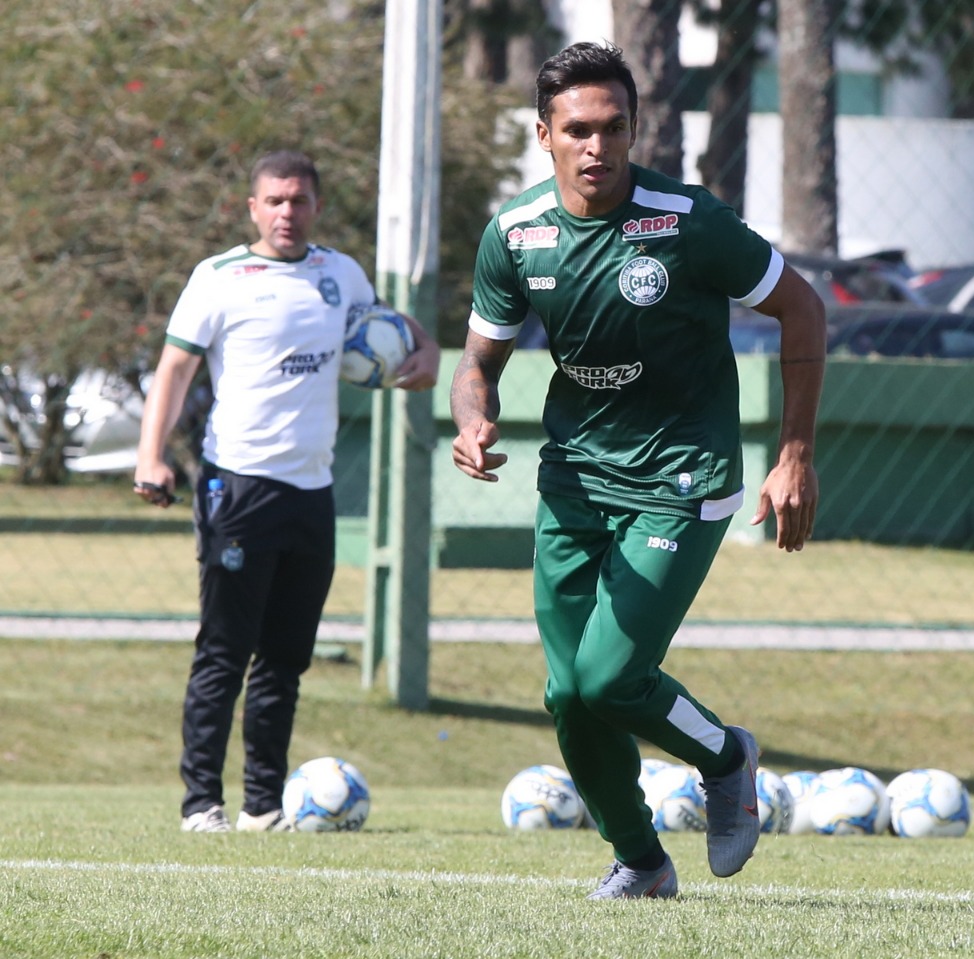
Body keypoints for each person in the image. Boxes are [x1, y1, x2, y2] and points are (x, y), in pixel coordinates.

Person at [449, 42, 826, 899]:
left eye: (615, 127)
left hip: (681, 477)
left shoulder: (686, 220)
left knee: (610, 678)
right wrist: (473, 419)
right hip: (574, 481)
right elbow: (477, 360)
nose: (598, 146)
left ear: (634, 129)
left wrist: (795, 454)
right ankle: (642, 862)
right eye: (578, 129)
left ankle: (724, 757)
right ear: (543, 135)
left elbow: (802, 307)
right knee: (568, 695)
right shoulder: (516, 233)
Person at [134, 149, 440, 833]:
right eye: (274, 200)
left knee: (285, 658)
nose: (287, 212)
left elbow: (396, 327)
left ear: (316, 207)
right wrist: (151, 456)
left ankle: (263, 807)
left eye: (299, 200)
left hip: (312, 491)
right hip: (239, 486)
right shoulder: (219, 278)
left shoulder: (340, 273)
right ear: (253, 208)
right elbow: (175, 369)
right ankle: (201, 803)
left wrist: (427, 352)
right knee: (225, 650)